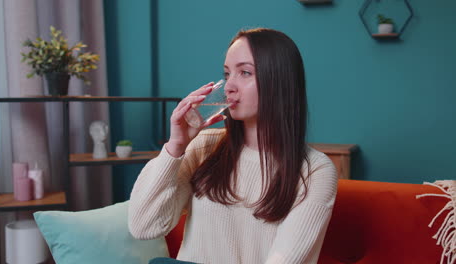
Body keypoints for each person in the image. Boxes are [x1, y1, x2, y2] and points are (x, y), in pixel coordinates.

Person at [128, 28, 338, 264]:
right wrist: (175, 146)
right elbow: (143, 226)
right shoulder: (204, 146)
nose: (229, 86)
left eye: (245, 72)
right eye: (227, 74)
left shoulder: (314, 171)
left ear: (280, 81)